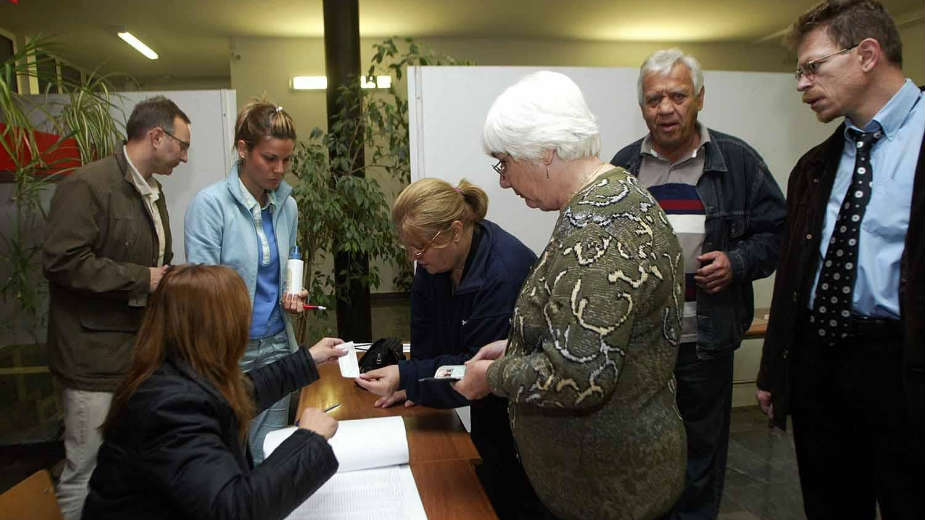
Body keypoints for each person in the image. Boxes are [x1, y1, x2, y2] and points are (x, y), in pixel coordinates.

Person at [453, 71, 687, 520]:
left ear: (545, 152)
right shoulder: (609, 199)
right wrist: (522, 346)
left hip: (610, 492)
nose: (502, 181)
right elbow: (596, 330)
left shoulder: (600, 228)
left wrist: (494, 376)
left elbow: (581, 377)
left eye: (504, 162)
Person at [756, 1, 924, 519]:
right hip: (819, 369)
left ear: (868, 54)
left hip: (903, 368)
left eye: (813, 67)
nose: (801, 83)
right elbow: (795, 274)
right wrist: (776, 369)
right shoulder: (815, 166)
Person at [610, 49, 786, 519]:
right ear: (642, 106)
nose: (665, 108)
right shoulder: (623, 167)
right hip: (640, 345)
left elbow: (778, 233)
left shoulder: (739, 161)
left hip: (704, 341)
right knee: (641, 452)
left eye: (677, 95)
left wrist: (737, 260)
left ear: (700, 98)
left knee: (701, 456)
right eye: (653, 99)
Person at [82, 264, 345, 519]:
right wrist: (308, 439)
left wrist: (308, 360)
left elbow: (244, 392)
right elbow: (236, 509)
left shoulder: (175, 374)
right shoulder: (170, 407)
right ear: (218, 330)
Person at [355, 178, 548, 519]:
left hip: (521, 411)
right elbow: (426, 335)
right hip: (483, 398)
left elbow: (477, 373)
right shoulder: (434, 259)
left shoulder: (503, 273)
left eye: (420, 247)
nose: (414, 256)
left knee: (505, 495)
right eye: (408, 247)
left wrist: (409, 376)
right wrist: (414, 382)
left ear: (455, 231)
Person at [42, 96, 190, 520]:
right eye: (180, 145)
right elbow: (61, 261)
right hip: (91, 363)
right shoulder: (88, 186)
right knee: (83, 471)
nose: (183, 156)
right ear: (156, 136)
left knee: (127, 467)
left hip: (135, 356)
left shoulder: (153, 192)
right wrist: (142, 278)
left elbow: (153, 264)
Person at [185, 100, 306, 463]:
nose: (279, 169)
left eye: (286, 160)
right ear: (243, 149)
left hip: (276, 343)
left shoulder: (287, 206)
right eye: (269, 158)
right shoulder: (210, 206)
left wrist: (291, 292)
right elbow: (201, 289)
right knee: (227, 452)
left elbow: (288, 264)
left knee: (268, 451)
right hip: (228, 351)